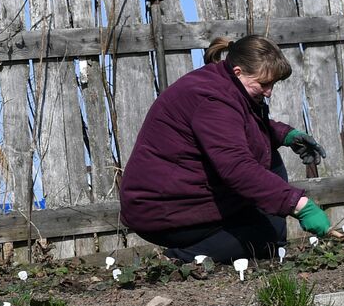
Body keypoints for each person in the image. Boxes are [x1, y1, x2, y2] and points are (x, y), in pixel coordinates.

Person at [119, 34, 332, 263]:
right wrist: (300, 206)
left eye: (273, 84)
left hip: (181, 195)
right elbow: (237, 166)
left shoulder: (224, 84)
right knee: (262, 235)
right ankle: (179, 260)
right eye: (264, 84)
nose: (269, 92)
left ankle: (265, 247)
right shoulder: (213, 98)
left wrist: (285, 135)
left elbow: (237, 129)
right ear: (239, 71)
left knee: (270, 176)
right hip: (161, 207)